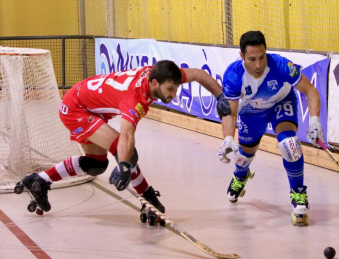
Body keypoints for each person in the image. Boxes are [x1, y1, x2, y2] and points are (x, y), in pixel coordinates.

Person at [17, 60, 230, 215]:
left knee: (96, 165)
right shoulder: (134, 98)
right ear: (155, 84)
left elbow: (199, 74)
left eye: (176, 88)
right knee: (125, 152)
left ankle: (38, 180)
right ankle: (147, 199)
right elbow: (126, 136)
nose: (174, 94)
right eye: (170, 90)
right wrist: (125, 166)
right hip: (76, 109)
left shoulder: (160, 75)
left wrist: (220, 96)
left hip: (87, 103)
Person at [218, 31, 324, 222]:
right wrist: (227, 138)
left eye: (261, 57)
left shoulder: (281, 65)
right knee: (244, 155)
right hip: (251, 111)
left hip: (281, 102)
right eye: (252, 59)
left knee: (290, 144)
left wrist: (315, 121)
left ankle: (298, 193)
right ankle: (240, 176)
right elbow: (231, 113)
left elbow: (311, 91)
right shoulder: (233, 75)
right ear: (241, 56)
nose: (258, 65)